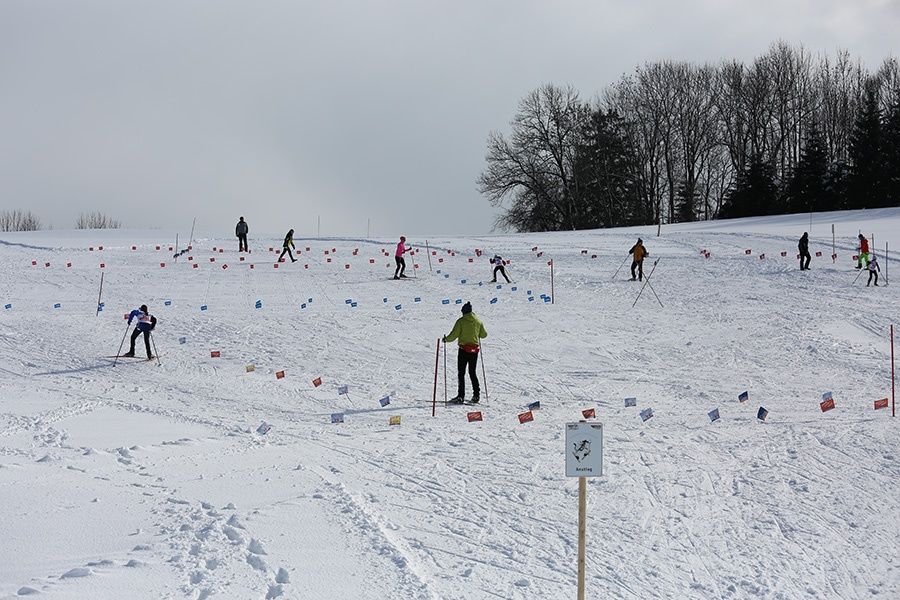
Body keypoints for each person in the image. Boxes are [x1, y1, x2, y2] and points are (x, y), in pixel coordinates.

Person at [443, 302, 488, 404]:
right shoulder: (478, 321)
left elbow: (454, 335)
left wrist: (446, 339)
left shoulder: (461, 321)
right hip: (474, 351)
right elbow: (484, 335)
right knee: (472, 372)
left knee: (461, 373)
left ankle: (461, 396)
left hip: (463, 350)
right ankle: (476, 395)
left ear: (464, 312)